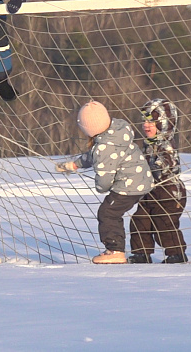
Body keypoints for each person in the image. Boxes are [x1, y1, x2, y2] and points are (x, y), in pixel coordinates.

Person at [56, 101, 154, 264]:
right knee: (114, 212)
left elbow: (104, 176)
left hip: (128, 185)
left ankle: (115, 251)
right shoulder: (116, 132)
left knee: (108, 213)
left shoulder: (104, 147)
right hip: (142, 179)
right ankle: (120, 249)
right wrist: (74, 165)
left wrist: (102, 188)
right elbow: (92, 155)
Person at [129, 98, 188, 264]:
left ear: (163, 123)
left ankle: (176, 254)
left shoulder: (166, 143)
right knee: (140, 220)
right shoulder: (148, 144)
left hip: (169, 192)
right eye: (145, 122)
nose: (146, 126)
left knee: (164, 222)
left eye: (152, 122)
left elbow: (168, 161)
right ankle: (141, 253)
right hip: (149, 192)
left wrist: (157, 167)